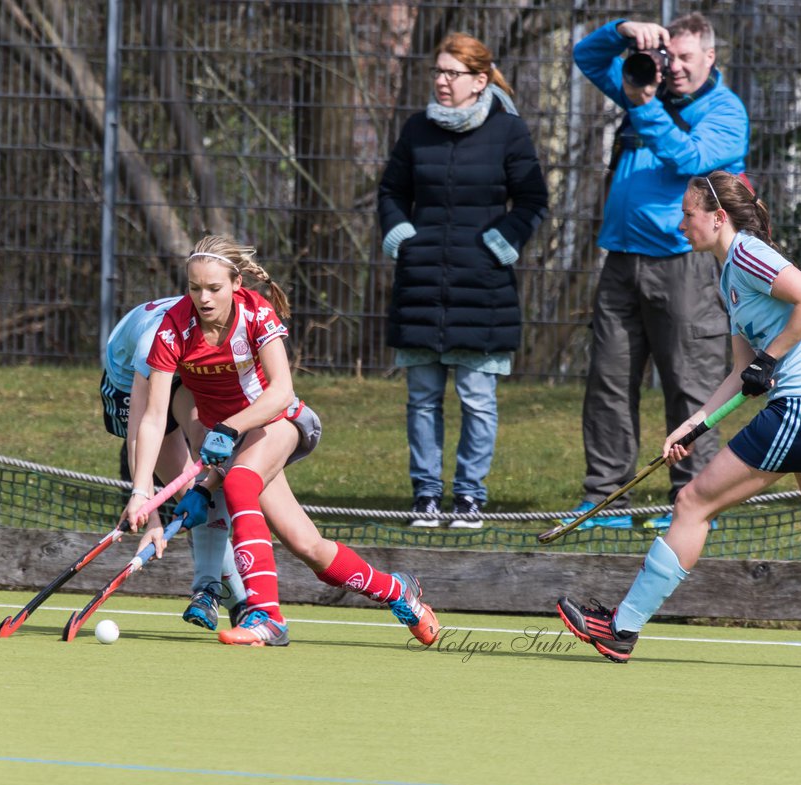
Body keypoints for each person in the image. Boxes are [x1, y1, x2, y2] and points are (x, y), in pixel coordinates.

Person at [122, 234, 441, 648]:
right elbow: (151, 418)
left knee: (238, 483)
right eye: (194, 287)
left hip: (279, 420)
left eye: (214, 288)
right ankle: (400, 593)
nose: (203, 298)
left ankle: (266, 617)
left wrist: (228, 431)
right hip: (233, 437)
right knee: (307, 545)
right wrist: (142, 492)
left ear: (237, 284)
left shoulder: (255, 312)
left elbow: (281, 392)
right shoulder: (173, 329)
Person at [557, 170, 801, 662]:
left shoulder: (748, 254)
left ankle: (621, 629)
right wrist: (696, 425)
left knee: (692, 502)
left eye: (687, 214)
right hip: (799, 405)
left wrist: (772, 358)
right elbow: (741, 371)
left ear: (717, 218)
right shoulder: (728, 275)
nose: (679, 224)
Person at [563, 12, 749, 531]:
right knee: (608, 382)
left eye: (687, 58)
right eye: (671, 58)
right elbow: (586, 57)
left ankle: (692, 501)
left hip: (685, 264)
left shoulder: (726, 112)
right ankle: (606, 501)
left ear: (710, 58)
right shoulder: (648, 89)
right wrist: (623, 30)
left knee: (691, 386)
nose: (676, 69)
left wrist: (645, 106)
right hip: (621, 259)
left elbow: (691, 159)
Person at [377, 32, 548, 530]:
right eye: (438, 71)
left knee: (477, 399)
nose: (442, 81)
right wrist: (401, 235)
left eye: (452, 73)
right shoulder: (416, 130)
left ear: (479, 80)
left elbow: (534, 200)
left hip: (484, 289)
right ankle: (426, 496)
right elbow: (390, 192)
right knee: (422, 399)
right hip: (420, 284)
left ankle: (470, 498)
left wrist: (500, 242)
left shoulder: (509, 132)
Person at [101, 297, 246, 631]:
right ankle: (238, 598)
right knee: (184, 489)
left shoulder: (235, 323)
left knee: (210, 477)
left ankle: (211, 593)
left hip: (187, 373)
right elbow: (142, 426)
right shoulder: (158, 337)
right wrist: (150, 512)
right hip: (132, 382)